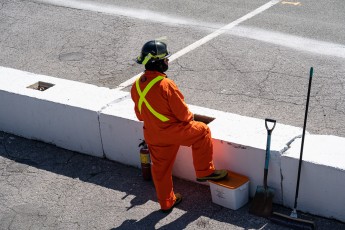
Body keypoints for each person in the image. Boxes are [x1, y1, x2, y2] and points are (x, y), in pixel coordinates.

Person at [131, 39, 228, 213]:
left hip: (152, 135)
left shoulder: (137, 85)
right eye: (165, 59)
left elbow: (139, 115)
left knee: (161, 170)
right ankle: (204, 171)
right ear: (158, 62)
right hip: (171, 132)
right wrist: (191, 120)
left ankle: (167, 202)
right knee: (202, 131)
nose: (168, 61)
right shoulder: (166, 84)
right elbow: (184, 115)